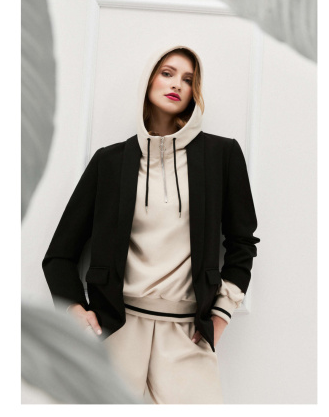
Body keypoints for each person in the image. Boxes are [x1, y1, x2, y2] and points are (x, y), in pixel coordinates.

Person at [42, 44, 260, 404]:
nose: (176, 84)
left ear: (194, 91)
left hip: (187, 331)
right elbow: (59, 256)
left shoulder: (222, 156)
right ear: (149, 80)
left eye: (188, 79)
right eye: (167, 73)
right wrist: (75, 311)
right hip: (117, 328)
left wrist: (221, 316)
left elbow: (242, 243)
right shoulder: (110, 162)